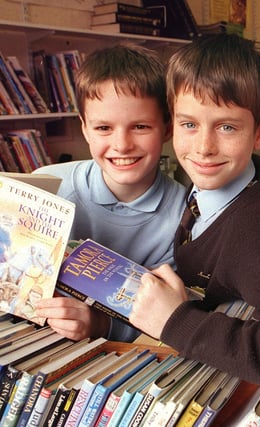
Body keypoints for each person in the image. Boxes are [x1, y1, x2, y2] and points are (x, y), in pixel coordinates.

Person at [128, 34, 260, 400]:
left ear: (259, 132)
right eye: (189, 124)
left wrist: (177, 321)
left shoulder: (252, 232)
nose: (204, 147)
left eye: (226, 127)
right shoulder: (204, 184)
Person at [33, 44, 186, 342]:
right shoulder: (47, 186)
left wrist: (100, 325)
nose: (122, 144)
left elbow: (165, 317)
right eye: (103, 127)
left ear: (167, 128)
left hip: (114, 356)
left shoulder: (183, 215)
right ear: (85, 130)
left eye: (140, 126)